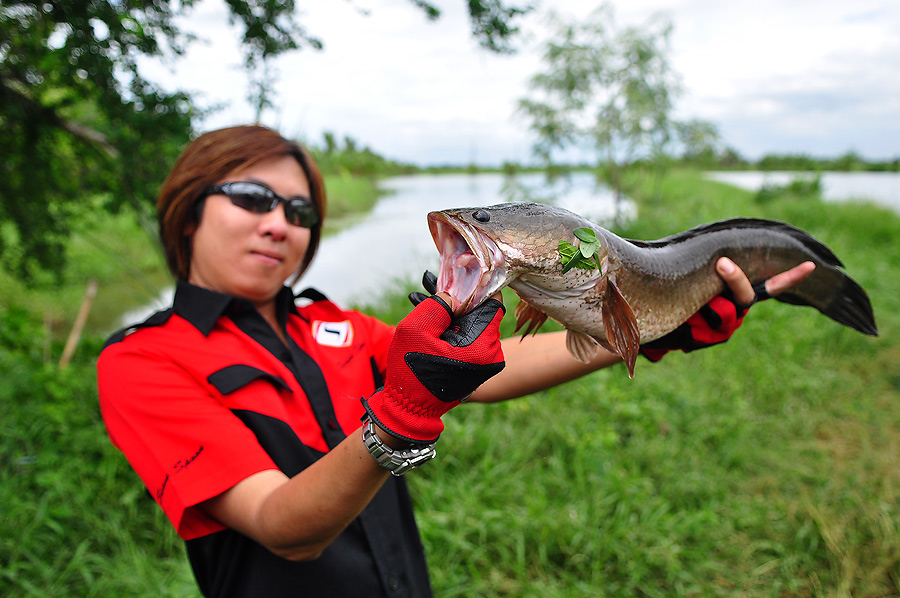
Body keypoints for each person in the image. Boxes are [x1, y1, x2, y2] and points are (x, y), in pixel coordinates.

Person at [97, 125, 814, 598]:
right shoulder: (145, 360)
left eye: (301, 211)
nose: (279, 223)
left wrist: (647, 330)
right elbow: (285, 527)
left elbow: (488, 369)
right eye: (253, 198)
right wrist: (403, 416)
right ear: (189, 208)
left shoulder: (331, 324)